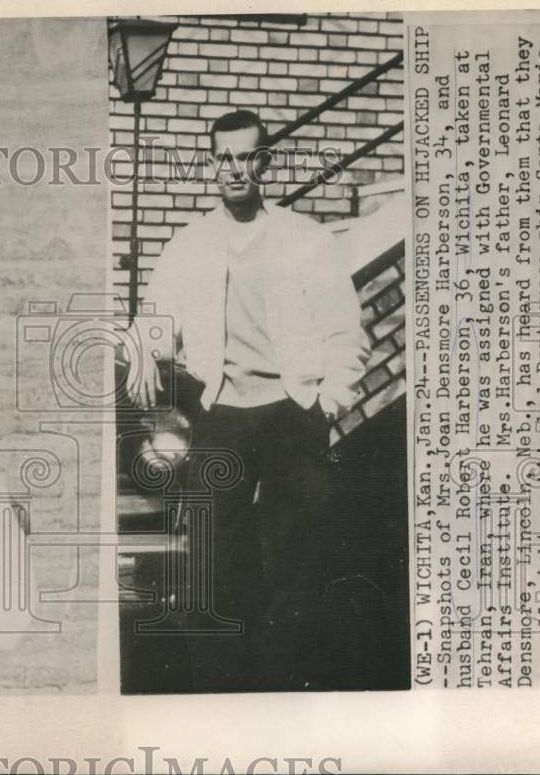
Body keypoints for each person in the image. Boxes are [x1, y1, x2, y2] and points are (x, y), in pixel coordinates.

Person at [127, 109, 370, 691]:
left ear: (265, 161)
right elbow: (156, 319)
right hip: (224, 414)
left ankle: (286, 685)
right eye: (222, 158)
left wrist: (330, 402)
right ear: (213, 165)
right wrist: (143, 347)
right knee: (216, 560)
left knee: (296, 560)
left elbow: (344, 330)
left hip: (292, 411)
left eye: (246, 157)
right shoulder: (190, 244)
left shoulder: (305, 239)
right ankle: (227, 690)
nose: (234, 169)